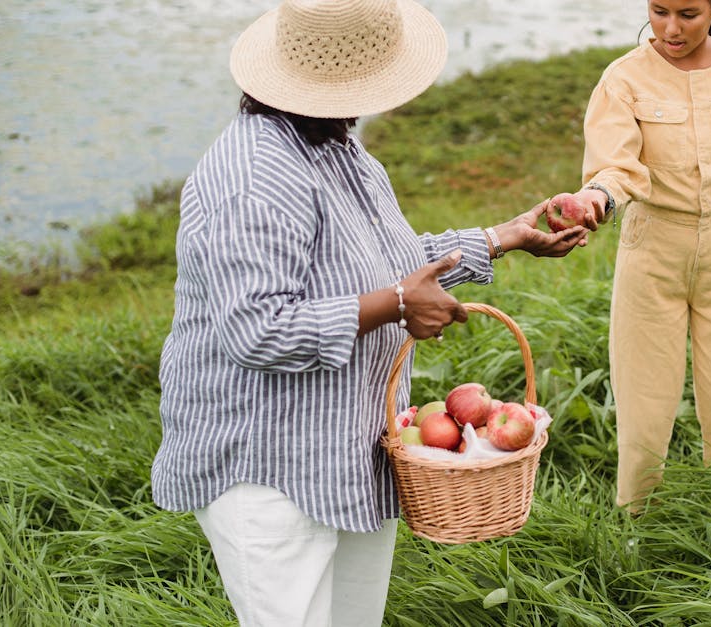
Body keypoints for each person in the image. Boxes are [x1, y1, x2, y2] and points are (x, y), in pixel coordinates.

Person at [149, 0, 591, 624]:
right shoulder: (255, 173)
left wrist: (502, 236)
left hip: (348, 446)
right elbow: (257, 330)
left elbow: (392, 263)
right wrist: (400, 304)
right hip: (270, 466)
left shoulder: (337, 148)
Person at [551, 0, 711, 511]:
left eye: (687, 13)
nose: (670, 28)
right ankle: (637, 525)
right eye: (659, 11)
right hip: (652, 250)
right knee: (645, 410)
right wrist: (595, 199)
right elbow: (615, 168)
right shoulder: (623, 79)